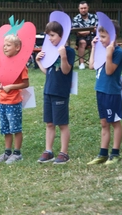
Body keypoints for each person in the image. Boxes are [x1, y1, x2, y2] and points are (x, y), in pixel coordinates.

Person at [35, 21, 75, 164]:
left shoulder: (68, 51)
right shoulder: (50, 51)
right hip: (48, 91)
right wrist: (39, 62)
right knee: (49, 123)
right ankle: (49, 151)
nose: (50, 38)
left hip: (60, 92)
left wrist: (63, 56)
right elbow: (48, 72)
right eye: (48, 35)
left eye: (52, 35)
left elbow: (65, 70)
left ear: (62, 35)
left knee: (62, 124)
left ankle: (64, 153)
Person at [87, 20, 122, 165]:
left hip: (111, 93)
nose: (100, 39)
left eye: (103, 37)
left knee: (115, 122)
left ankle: (115, 154)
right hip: (100, 91)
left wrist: (109, 54)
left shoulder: (117, 52)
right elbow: (91, 66)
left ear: (113, 36)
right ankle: (103, 154)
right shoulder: (101, 49)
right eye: (99, 36)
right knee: (104, 123)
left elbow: (109, 71)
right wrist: (94, 48)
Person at [0, 35, 29, 164]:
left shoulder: (20, 65)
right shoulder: (1, 62)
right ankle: (7, 152)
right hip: (2, 101)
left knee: (15, 128)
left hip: (14, 101)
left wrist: (12, 86)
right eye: (4, 45)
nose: (5, 47)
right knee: (6, 129)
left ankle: (17, 153)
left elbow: (26, 83)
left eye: (8, 45)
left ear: (17, 48)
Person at [72, 1, 98, 70]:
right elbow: (78, 32)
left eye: (85, 8)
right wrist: (90, 30)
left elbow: (98, 28)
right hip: (81, 38)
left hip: (94, 37)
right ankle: (82, 64)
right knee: (82, 42)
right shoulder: (75, 19)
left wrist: (86, 31)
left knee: (97, 42)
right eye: (81, 8)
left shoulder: (94, 17)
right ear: (79, 9)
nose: (83, 10)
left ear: (88, 8)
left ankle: (94, 62)